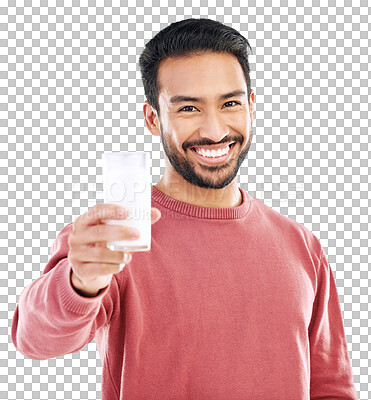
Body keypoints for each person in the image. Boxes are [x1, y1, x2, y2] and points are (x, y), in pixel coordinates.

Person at [11, 18, 358, 400]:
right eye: (189, 108)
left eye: (230, 103)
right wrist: (80, 283)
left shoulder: (302, 245)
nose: (214, 130)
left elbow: (331, 387)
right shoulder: (114, 236)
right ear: (152, 118)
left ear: (252, 106)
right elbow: (34, 340)